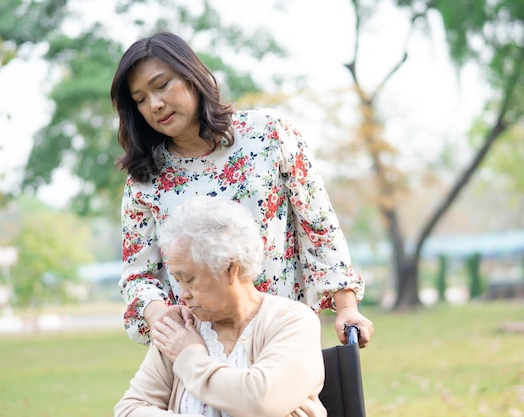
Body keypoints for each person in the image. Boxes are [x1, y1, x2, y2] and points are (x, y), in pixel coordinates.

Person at [110, 31, 374, 348]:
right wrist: (158, 315)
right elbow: (139, 275)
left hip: (283, 338)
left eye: (162, 85)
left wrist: (346, 307)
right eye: (140, 100)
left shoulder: (269, 134)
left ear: (192, 76)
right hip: (199, 352)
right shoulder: (144, 178)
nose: (155, 104)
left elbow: (318, 228)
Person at [115, 195, 326, 416]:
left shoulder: (293, 321)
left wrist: (188, 356)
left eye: (189, 279)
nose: (182, 294)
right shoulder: (180, 328)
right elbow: (129, 410)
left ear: (230, 268)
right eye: (178, 281)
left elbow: (261, 402)